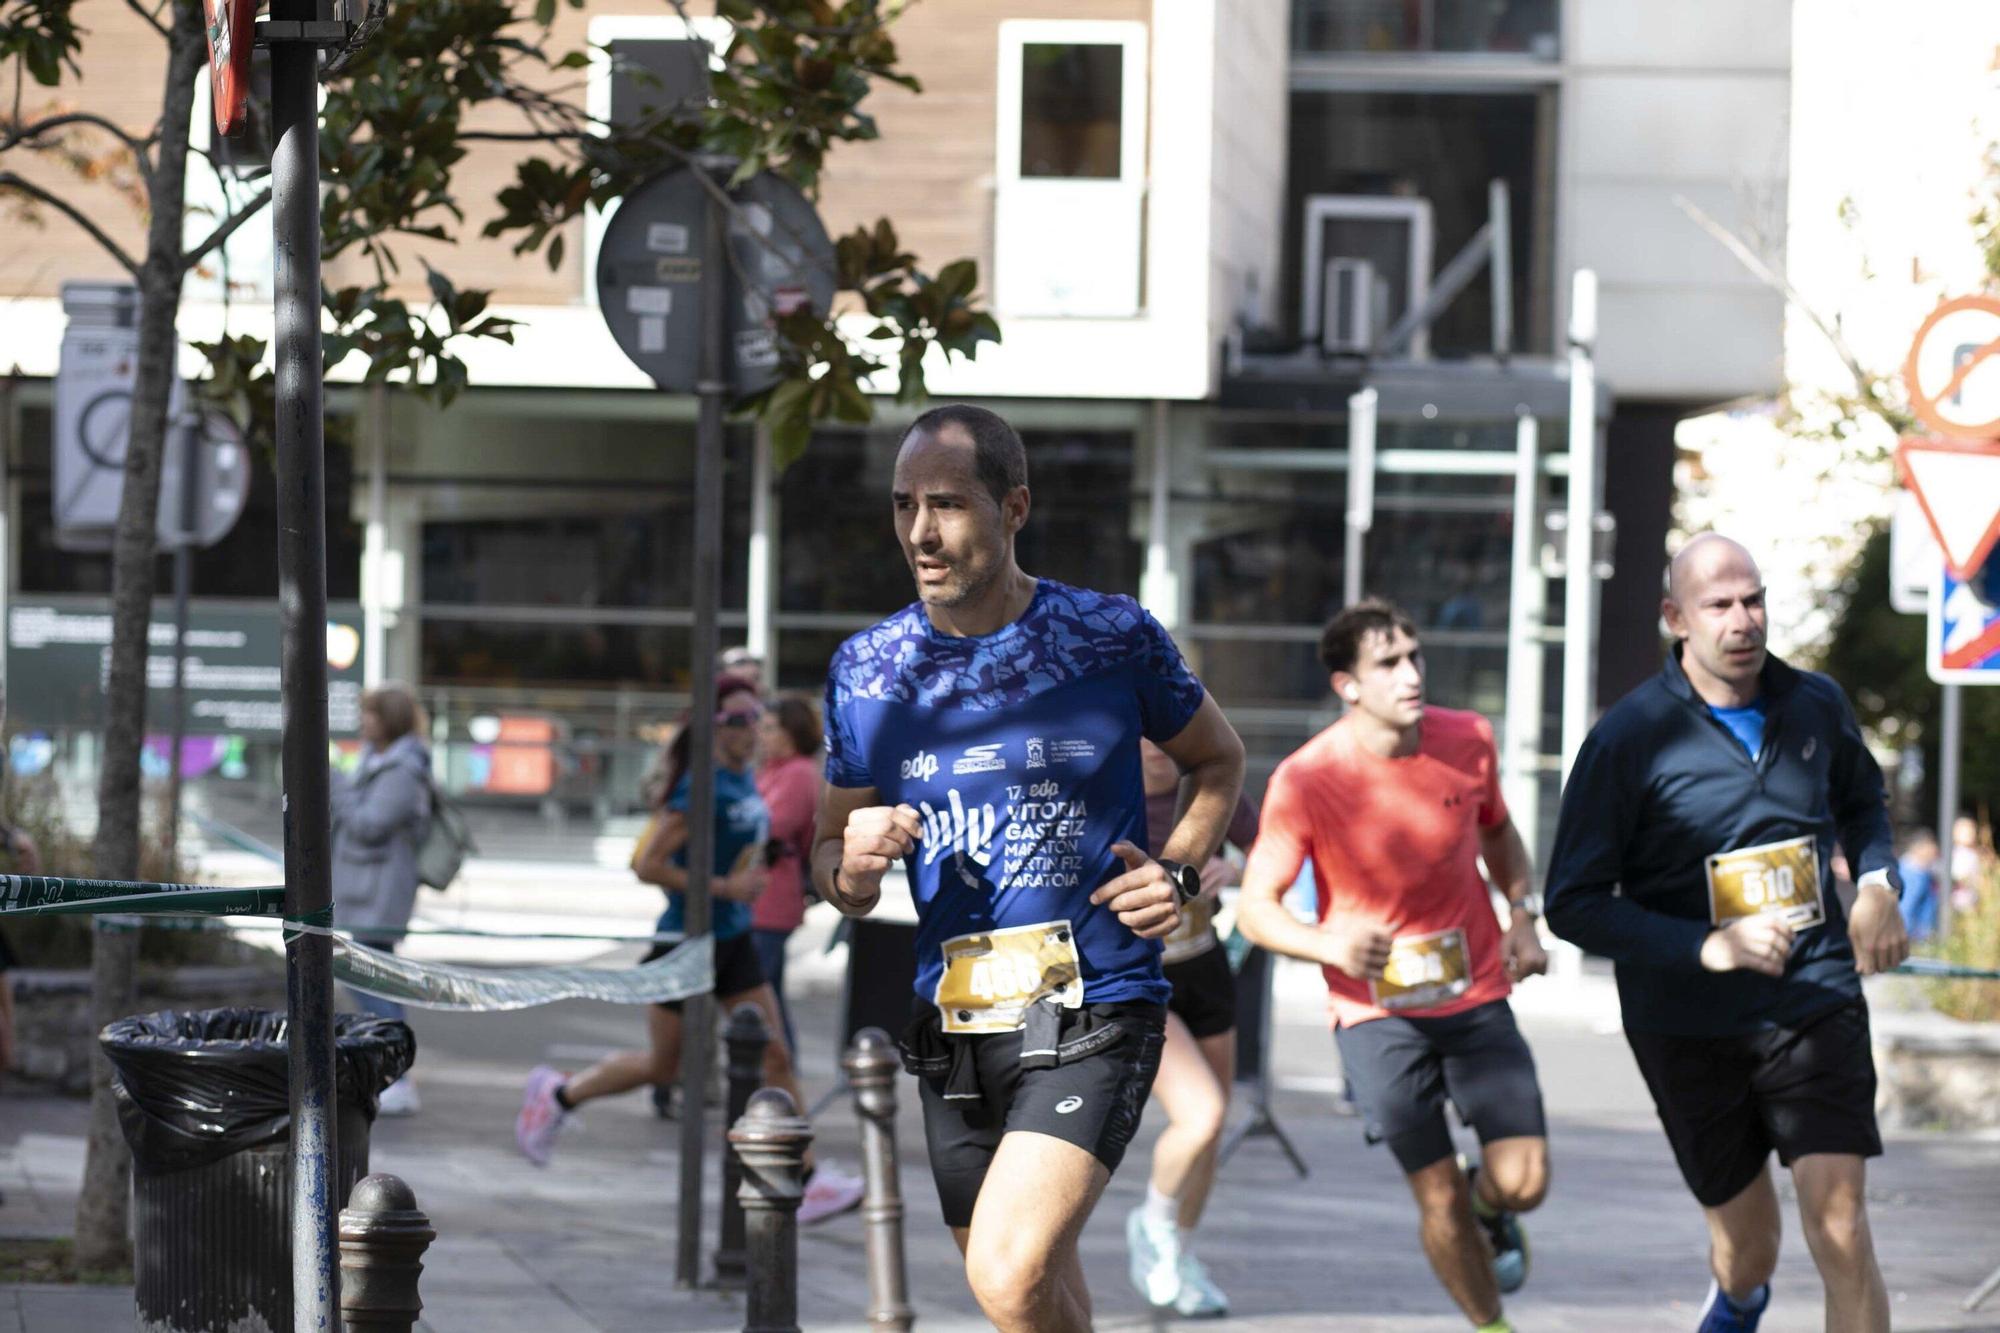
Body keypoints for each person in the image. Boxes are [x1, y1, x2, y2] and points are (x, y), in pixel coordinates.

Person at [810, 404, 1246, 1333]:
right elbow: (832, 863)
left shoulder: (1108, 635)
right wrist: (850, 867)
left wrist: (1177, 870)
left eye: (947, 505)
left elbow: (1219, 759)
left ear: (1013, 508)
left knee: (1007, 1278)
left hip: (1096, 1004)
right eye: (902, 506)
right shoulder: (867, 672)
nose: (920, 534)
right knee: (1037, 1295)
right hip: (955, 1019)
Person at [1544, 534, 1908, 1333]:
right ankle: (1739, 1302)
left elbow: (1863, 803)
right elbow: (1571, 902)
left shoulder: (1816, 702)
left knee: (1841, 1228)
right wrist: (1703, 945)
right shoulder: (1628, 739)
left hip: (1814, 997)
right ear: (1677, 618)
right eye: (1720, 604)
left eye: (1754, 599)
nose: (1744, 620)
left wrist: (1879, 885)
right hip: (1687, 1025)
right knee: (1751, 1247)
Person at [1237, 598, 1550, 1333]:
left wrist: (1523, 915)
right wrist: (1328, 944)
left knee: (1524, 1181)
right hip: (1375, 1015)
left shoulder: (1468, 738)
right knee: (1434, 1194)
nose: (1411, 673)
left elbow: (1500, 835)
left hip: (1474, 993)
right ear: (1348, 683)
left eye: (1414, 655)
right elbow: (1256, 907)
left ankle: (1491, 1205)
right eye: (1389, 662)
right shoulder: (1307, 777)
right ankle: (1491, 1322)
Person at [516, 679, 864, 1219]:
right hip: (685, 940)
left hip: (733, 938)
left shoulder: (742, 778)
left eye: (754, 718)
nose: (748, 729)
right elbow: (646, 864)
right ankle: (557, 1095)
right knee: (663, 1066)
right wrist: (726, 887)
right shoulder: (698, 788)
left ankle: (808, 1176)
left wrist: (755, 869)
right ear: (710, 727)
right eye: (735, 720)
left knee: (775, 1055)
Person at [1124, 737, 1259, 1317]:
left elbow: (1275, 855)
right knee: (1199, 1114)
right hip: (1140, 981)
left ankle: (1178, 1253)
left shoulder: (1210, 784)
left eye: (1167, 733)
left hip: (1204, 967)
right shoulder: (1109, 795)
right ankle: (1151, 1222)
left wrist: (1240, 865)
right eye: (1143, 733)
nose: (1157, 748)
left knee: (1216, 1122)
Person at [331, 682, 432, 1117]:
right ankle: (395, 1072)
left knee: (370, 976)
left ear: (388, 719)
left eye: (370, 714)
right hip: (369, 887)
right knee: (376, 974)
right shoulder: (378, 760)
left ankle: (398, 1075)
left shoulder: (402, 770)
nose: (362, 721)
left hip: (382, 890)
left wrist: (335, 785)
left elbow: (369, 824)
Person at [752, 693, 823, 1053]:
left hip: (773, 896)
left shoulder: (797, 772)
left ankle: (777, 1068)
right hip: (763, 895)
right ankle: (783, 1068)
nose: (761, 736)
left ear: (791, 732)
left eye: (769, 729)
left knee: (757, 994)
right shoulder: (773, 769)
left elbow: (772, 826)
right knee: (770, 993)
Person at [1896, 828, 1942, 943]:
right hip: (1914, 940)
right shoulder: (1912, 875)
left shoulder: (1922, 873)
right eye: (1931, 846)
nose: (1935, 851)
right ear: (1919, 848)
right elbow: (1905, 909)